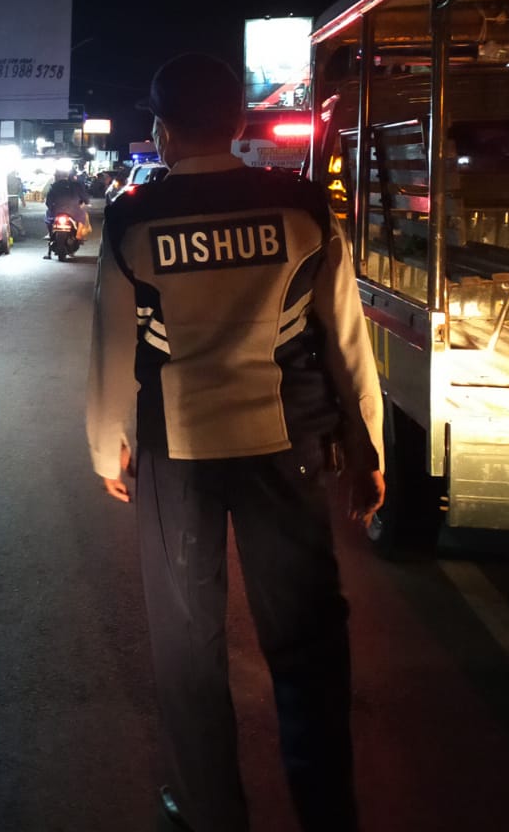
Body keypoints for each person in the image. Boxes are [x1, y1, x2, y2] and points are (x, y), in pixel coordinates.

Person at [85, 52, 386, 832]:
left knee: (188, 646)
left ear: (162, 130)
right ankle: (327, 810)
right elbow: (346, 340)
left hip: (177, 453)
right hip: (287, 450)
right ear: (241, 124)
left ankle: (210, 809)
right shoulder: (300, 207)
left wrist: (108, 446)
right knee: (307, 638)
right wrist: (368, 450)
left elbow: (113, 345)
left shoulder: (133, 219)